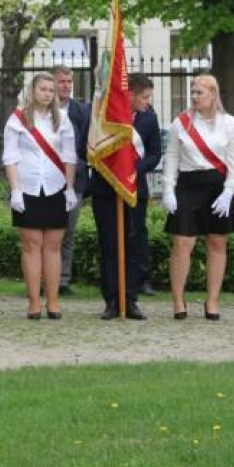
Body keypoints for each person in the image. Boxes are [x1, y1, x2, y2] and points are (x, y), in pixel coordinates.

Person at [161, 73, 234, 321]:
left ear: (213, 94)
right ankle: (178, 300)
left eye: (200, 92)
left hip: (219, 188)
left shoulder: (229, 123)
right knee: (182, 243)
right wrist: (168, 188)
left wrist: (229, 192)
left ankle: (212, 301)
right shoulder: (181, 122)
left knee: (217, 243)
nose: (195, 97)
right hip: (188, 185)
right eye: (193, 92)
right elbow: (172, 156)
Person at [3, 71, 78, 320]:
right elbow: (10, 157)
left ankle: (53, 302)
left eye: (50, 90)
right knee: (31, 245)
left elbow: (69, 156)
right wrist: (15, 191)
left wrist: (69, 188)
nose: (47, 94)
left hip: (56, 187)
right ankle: (34, 302)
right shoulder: (17, 119)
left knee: (53, 246)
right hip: (27, 188)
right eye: (42, 89)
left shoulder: (62, 120)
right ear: (32, 91)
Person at [90, 72, 162, 321]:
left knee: (134, 244)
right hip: (105, 190)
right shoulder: (104, 116)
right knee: (109, 244)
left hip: (134, 189)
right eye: (144, 97)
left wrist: (133, 170)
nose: (148, 102)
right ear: (129, 94)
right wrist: (115, 172)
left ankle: (130, 299)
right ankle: (112, 300)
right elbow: (92, 150)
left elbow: (155, 154)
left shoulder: (149, 118)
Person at [54, 65, 91, 297]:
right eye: (61, 81)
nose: (66, 85)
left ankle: (63, 280)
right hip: (46, 178)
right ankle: (42, 279)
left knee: (68, 232)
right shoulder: (40, 109)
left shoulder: (81, 111)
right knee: (47, 232)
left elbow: (87, 144)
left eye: (69, 81)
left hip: (74, 180)